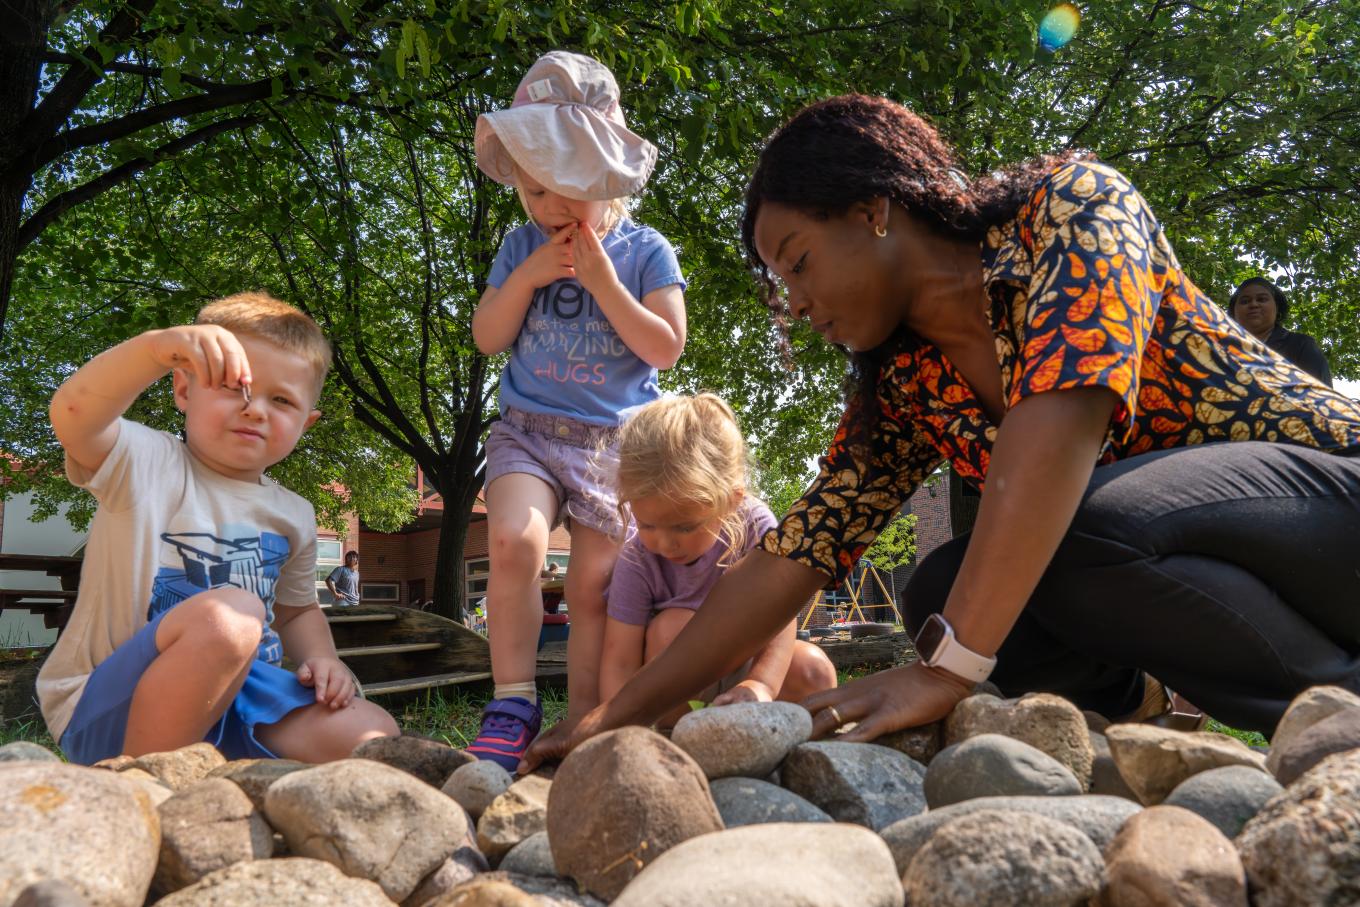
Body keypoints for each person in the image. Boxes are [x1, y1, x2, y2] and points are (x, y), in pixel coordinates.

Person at [522, 94, 1360, 771]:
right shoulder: (907, 378)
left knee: (1060, 539)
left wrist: (942, 673)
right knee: (938, 591)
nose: (799, 307)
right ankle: (1139, 704)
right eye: (783, 287)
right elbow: (794, 554)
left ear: (873, 208)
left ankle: (1342, 705)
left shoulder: (1069, 207)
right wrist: (612, 716)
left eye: (800, 261)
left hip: (1330, 496)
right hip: (1161, 540)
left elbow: (1059, 428)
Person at [39, 292, 400, 765]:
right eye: (235, 387)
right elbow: (74, 416)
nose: (256, 410)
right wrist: (154, 349)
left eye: (282, 400)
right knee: (231, 618)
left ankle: (213, 772)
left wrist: (325, 658)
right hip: (109, 701)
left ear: (305, 424)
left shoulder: (294, 513)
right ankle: (141, 784)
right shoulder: (145, 462)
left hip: (238, 698)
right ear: (184, 389)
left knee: (373, 734)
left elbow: (296, 613)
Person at [467, 51, 687, 771]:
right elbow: (486, 335)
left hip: (612, 445)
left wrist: (605, 283)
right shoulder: (519, 245)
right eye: (534, 192)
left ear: (605, 175)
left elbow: (666, 347)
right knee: (515, 545)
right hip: (527, 432)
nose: (550, 208)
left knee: (595, 586)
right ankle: (513, 699)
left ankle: (584, 716)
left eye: (566, 189)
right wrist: (528, 276)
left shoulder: (644, 250)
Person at [599, 394, 837, 725]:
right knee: (674, 627)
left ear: (731, 500)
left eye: (685, 526)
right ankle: (683, 739)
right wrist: (615, 731)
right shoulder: (638, 557)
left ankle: (790, 751)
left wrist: (761, 683)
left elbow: (782, 618)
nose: (665, 543)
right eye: (648, 524)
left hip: (747, 662)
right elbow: (619, 659)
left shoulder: (757, 525)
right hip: (674, 684)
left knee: (815, 670)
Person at [1228, 277, 1332, 386]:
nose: (1253, 304)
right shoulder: (1220, 348)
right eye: (1245, 301)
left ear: (1277, 308)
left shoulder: (1300, 345)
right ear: (1234, 312)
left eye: (1262, 299)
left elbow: (1322, 396)